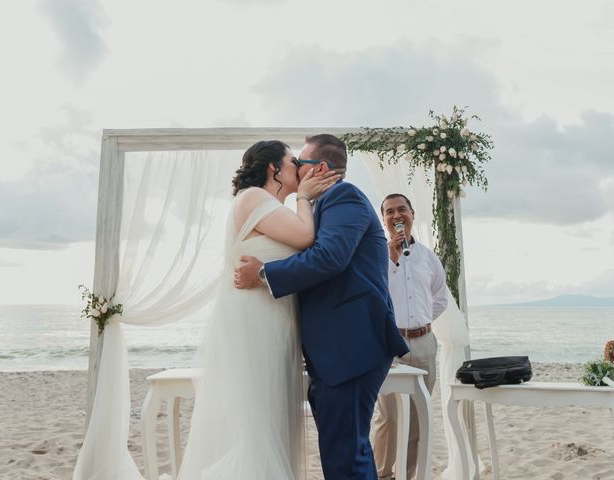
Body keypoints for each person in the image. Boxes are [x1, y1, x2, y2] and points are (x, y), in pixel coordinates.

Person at [235, 134, 409, 480]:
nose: (296, 169)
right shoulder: (315, 208)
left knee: (347, 455)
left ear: (322, 168)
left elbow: (330, 257)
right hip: (334, 352)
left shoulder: (344, 196)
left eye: (300, 163)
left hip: (352, 346)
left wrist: (264, 273)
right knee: (341, 451)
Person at [177, 140, 339, 480]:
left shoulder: (271, 206)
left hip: (277, 320)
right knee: (256, 421)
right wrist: (305, 197)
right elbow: (305, 237)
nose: (299, 166)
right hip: (255, 321)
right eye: (292, 160)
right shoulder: (253, 197)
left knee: (270, 418)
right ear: (273, 168)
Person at [372, 193, 448, 480]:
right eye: (389, 211)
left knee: (418, 415)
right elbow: (373, 294)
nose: (396, 216)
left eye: (401, 209)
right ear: (384, 220)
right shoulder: (377, 255)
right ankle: (382, 474)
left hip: (424, 343)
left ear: (412, 214)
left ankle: (410, 473)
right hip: (389, 344)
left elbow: (440, 298)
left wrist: (421, 324)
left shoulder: (428, 257)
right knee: (388, 417)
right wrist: (391, 260)